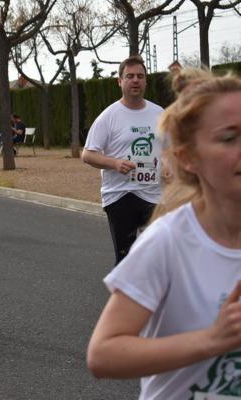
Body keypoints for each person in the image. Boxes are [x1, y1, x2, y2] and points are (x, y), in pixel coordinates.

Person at [87, 74, 241, 399]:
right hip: (121, 196)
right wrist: (212, 340)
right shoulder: (169, 240)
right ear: (188, 157)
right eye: (229, 138)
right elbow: (103, 355)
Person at [81, 55, 164, 265]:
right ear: (120, 81)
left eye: (140, 76)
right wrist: (115, 163)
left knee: (156, 256)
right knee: (126, 257)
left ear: (145, 81)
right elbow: (88, 154)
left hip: (153, 194)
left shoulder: (159, 114)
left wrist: (170, 166)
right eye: (130, 76)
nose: (135, 80)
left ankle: (152, 296)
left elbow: (173, 150)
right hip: (120, 195)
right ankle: (126, 296)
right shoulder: (109, 116)